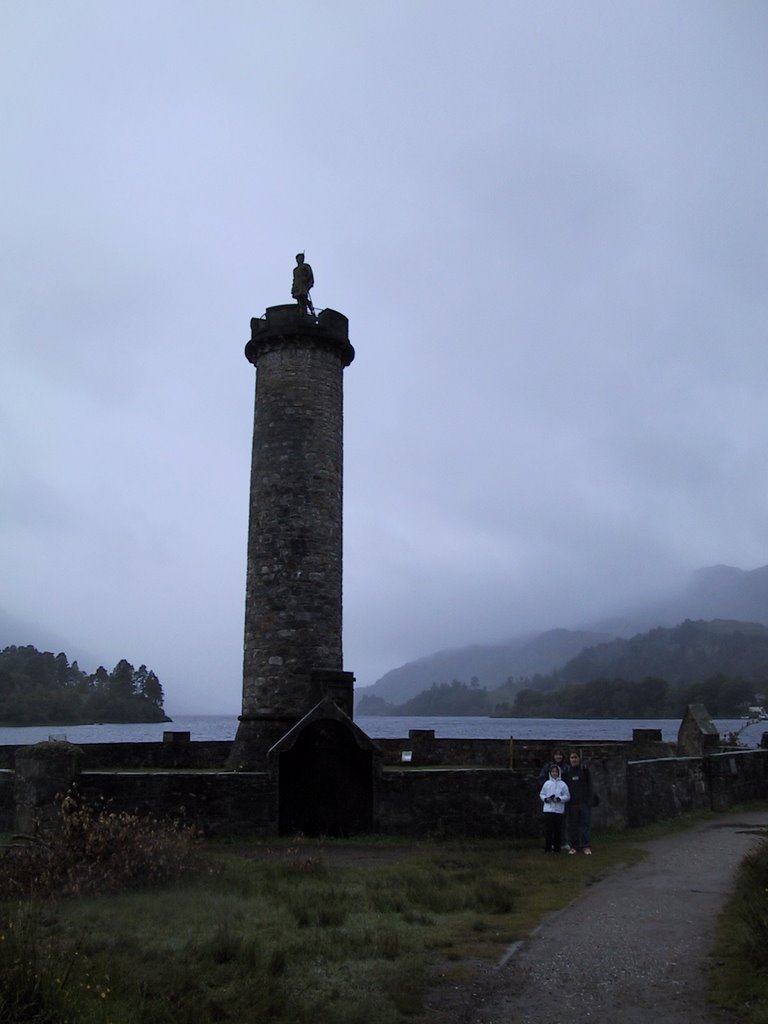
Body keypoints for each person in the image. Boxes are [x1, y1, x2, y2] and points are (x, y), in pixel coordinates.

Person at [562, 750, 593, 855]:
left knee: (585, 825)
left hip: (584, 803)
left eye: (575, 757)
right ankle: (573, 846)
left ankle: (586, 846)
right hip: (572, 804)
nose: (574, 759)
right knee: (572, 826)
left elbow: (590, 786)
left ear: (579, 759)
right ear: (569, 760)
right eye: (572, 757)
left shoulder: (584, 770)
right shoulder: (567, 772)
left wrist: (589, 800)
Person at [539, 764, 570, 853]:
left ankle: (557, 848)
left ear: (559, 772)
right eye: (552, 772)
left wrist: (559, 799)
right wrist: (546, 799)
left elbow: (567, 796)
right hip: (548, 810)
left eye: (556, 772)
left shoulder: (563, 784)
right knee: (548, 830)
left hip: (559, 810)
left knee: (557, 830)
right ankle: (548, 847)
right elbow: (542, 794)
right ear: (550, 773)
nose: (554, 773)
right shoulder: (546, 783)